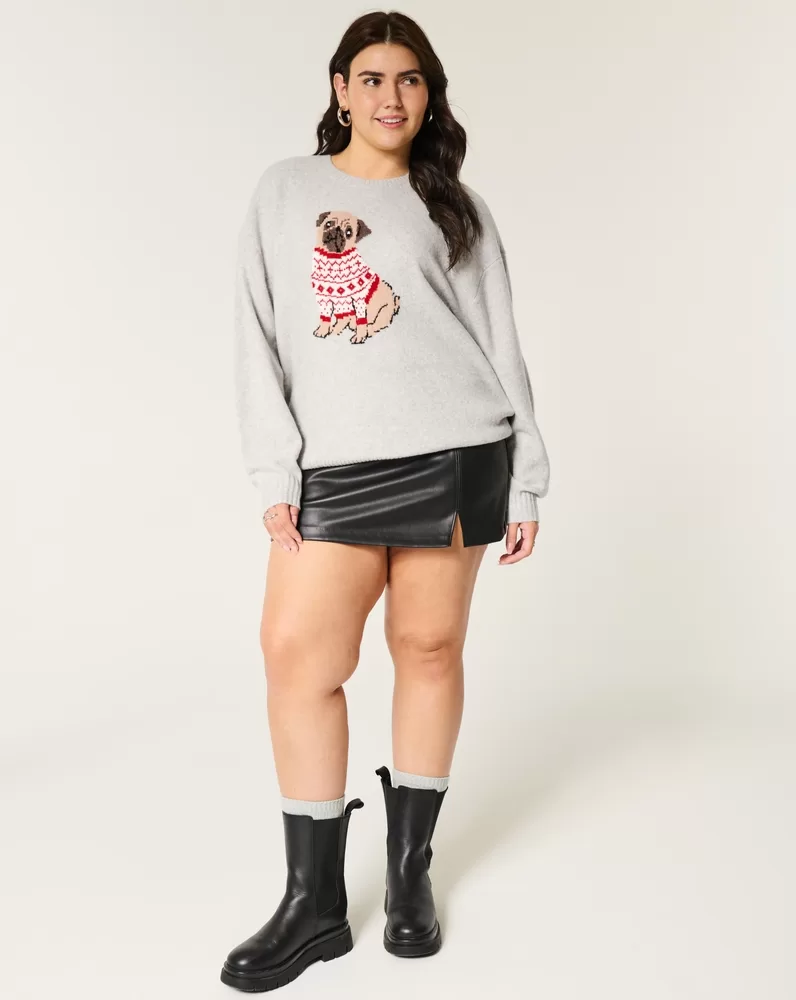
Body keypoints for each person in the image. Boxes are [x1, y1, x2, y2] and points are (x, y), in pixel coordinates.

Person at [220, 9, 550, 993]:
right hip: (336, 466)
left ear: (429, 95)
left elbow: (500, 341)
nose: (391, 96)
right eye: (371, 78)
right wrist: (275, 472)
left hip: (456, 453)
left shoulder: (456, 206)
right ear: (339, 89)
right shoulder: (286, 192)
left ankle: (409, 874)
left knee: (429, 648)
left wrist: (527, 472)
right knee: (298, 656)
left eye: (410, 79)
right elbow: (254, 334)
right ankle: (313, 903)